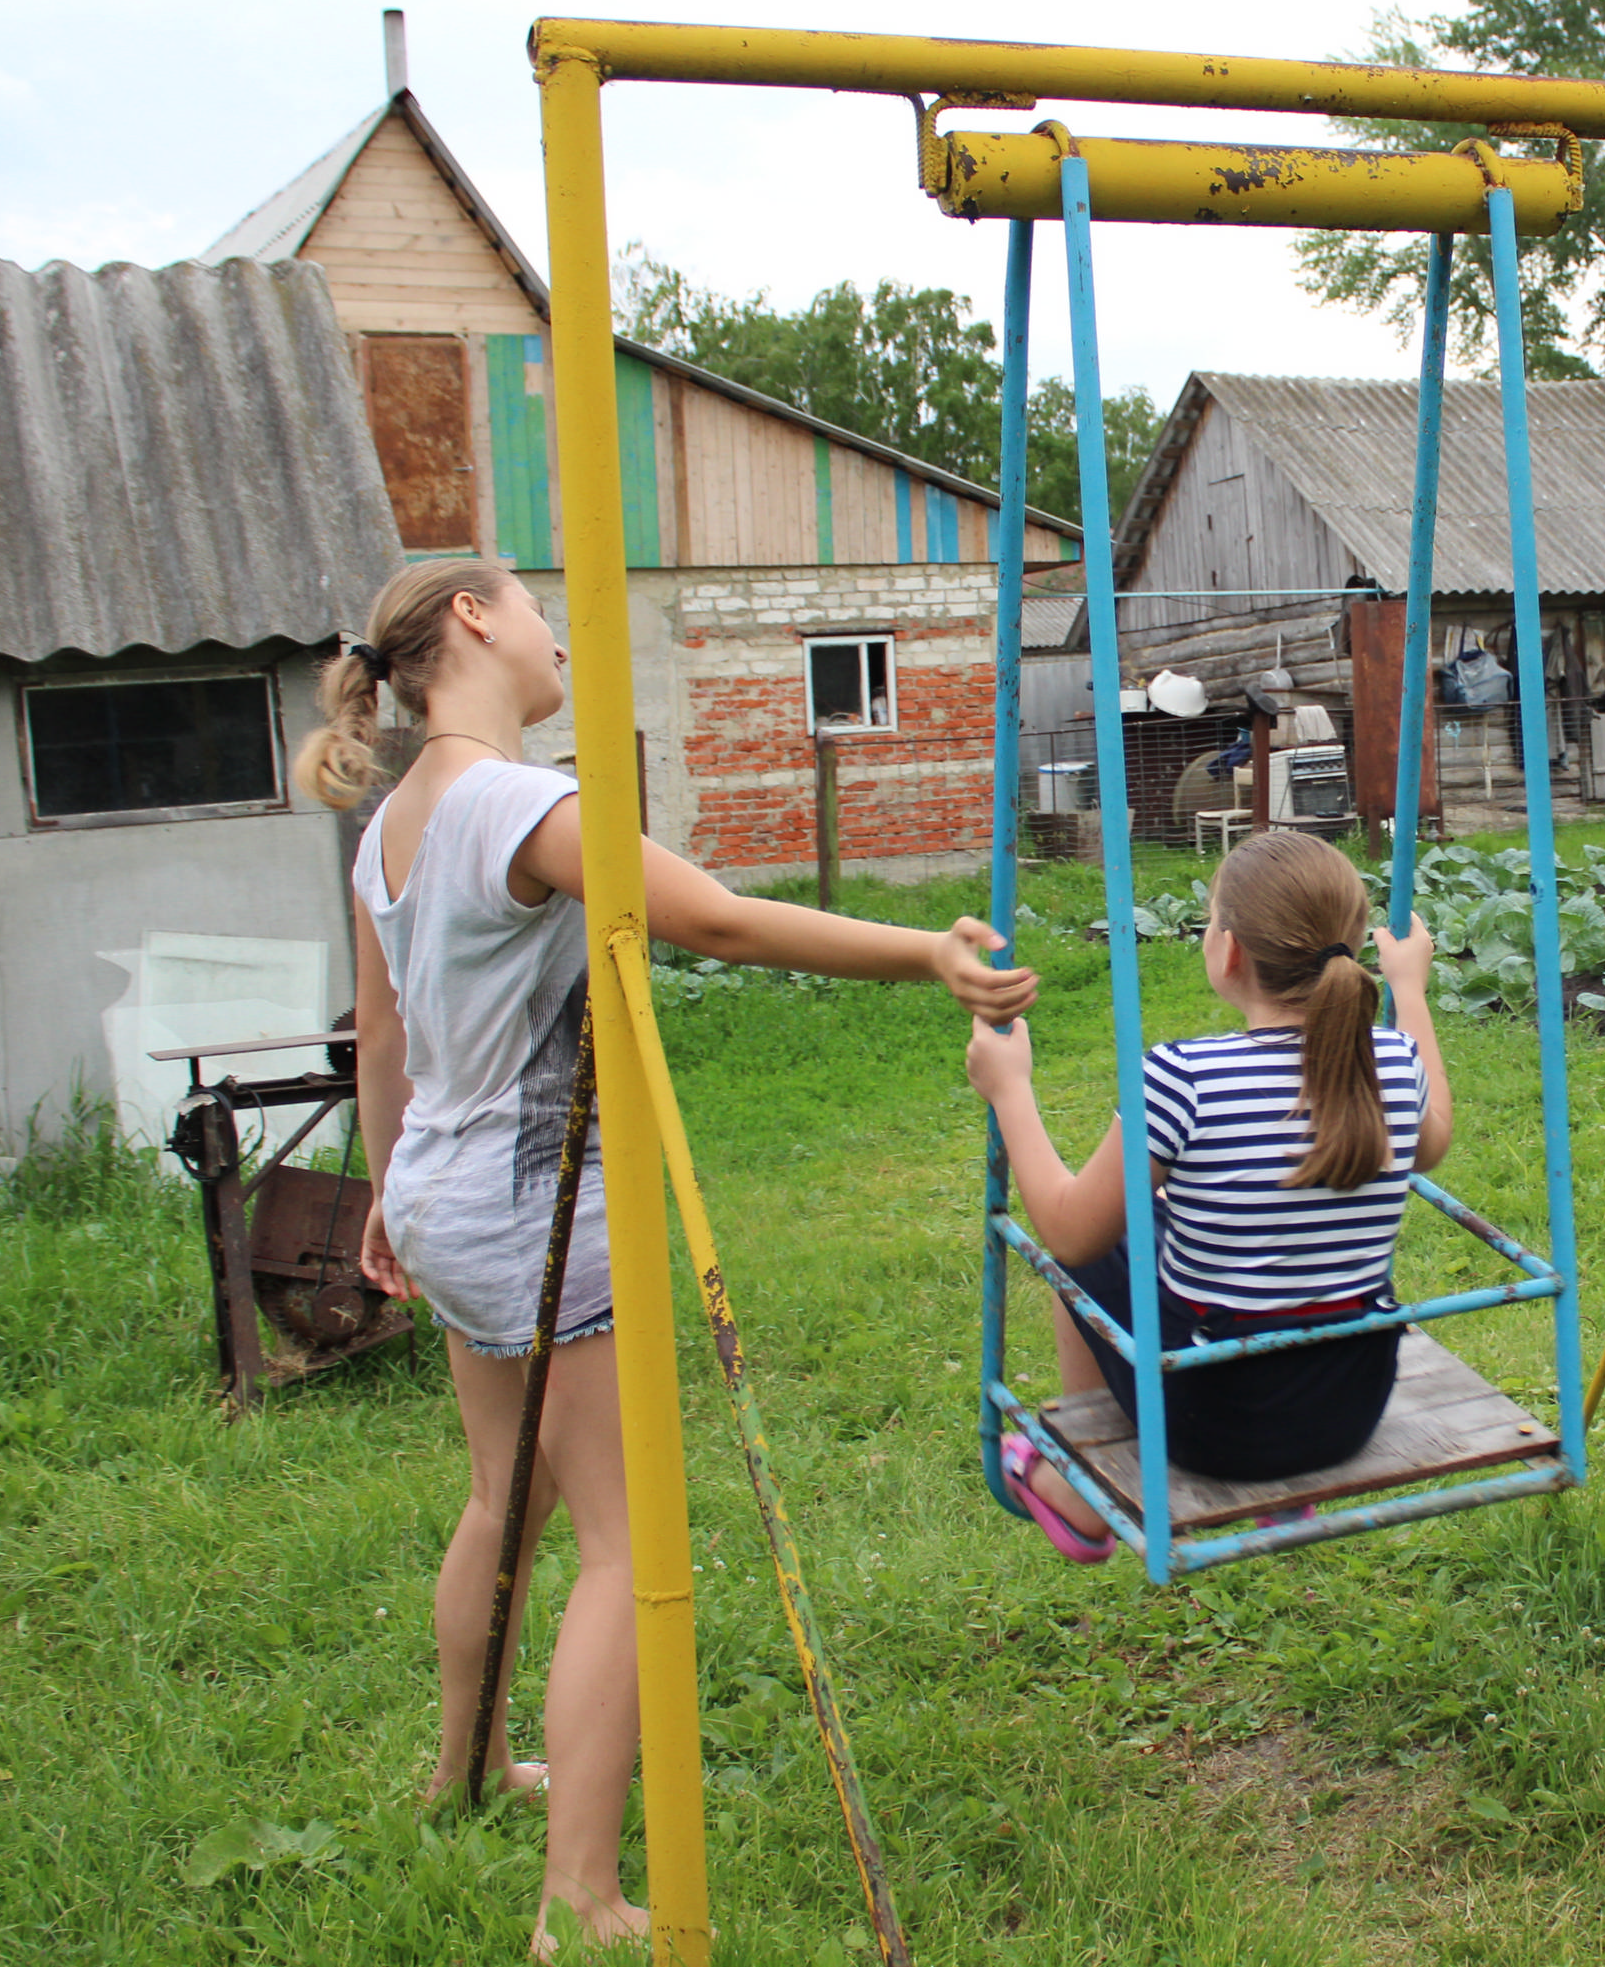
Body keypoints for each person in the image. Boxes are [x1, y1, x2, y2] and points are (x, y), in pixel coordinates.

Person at [294, 557, 1036, 1956]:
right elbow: (712, 917)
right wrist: (922, 954)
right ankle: (578, 1891)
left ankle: (460, 1773)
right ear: (470, 621)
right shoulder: (523, 805)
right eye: (531, 604)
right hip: (535, 1204)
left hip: (448, 1192)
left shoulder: (391, 821)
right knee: (622, 1541)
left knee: (497, 1498)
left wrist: (387, 1192)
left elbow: (378, 1039)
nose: (554, 634)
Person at [965, 829, 1451, 1561]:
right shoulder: (1392, 1058)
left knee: (1094, 1253)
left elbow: (1068, 1231)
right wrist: (1408, 988)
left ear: (1227, 952)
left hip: (1212, 1421)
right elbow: (1433, 1139)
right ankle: (1284, 1488)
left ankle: (1084, 1482)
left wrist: (1012, 1092)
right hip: (1349, 1408)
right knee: (1178, 1222)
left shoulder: (1184, 1077)